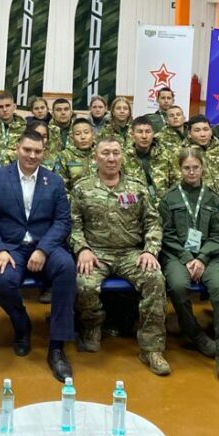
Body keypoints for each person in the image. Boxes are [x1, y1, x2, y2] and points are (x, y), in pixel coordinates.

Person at [0, 132, 75, 382]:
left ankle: (57, 347)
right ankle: (22, 326)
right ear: (17, 148)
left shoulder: (54, 181)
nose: (32, 155)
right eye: (27, 150)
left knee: (66, 268)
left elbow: (62, 221)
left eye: (38, 151)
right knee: (0, 280)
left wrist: (43, 249)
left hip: (45, 245)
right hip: (11, 247)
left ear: (44, 152)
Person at [71, 138, 169, 376]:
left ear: (122, 157)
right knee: (84, 284)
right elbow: (74, 225)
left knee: (155, 279)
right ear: (95, 157)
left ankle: (152, 349)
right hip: (96, 254)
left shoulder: (136, 187)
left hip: (130, 253)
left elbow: (153, 222)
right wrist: (82, 249)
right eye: (105, 153)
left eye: (116, 153)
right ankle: (93, 326)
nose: (111, 158)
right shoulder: (82, 188)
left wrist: (150, 250)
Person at [159, 149, 219, 380]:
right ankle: (194, 332)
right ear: (180, 169)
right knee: (178, 286)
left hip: (209, 256)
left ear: (202, 168)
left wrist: (201, 258)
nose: (191, 172)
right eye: (186, 168)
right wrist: (187, 258)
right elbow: (166, 235)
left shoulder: (214, 199)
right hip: (177, 255)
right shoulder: (169, 198)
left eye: (195, 167)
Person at [185, 114, 219, 210]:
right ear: (189, 133)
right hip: (198, 209)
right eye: (197, 130)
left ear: (211, 131)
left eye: (206, 129)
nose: (203, 134)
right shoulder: (183, 154)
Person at [124, 117, 175, 200]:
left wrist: (169, 201)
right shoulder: (124, 157)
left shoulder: (166, 154)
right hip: (135, 204)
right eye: (140, 132)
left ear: (153, 134)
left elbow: (176, 182)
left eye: (148, 132)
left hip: (164, 203)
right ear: (132, 135)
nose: (144, 136)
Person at [55, 117, 98, 190]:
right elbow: (59, 186)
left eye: (86, 132)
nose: (83, 137)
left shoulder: (101, 154)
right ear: (72, 137)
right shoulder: (64, 156)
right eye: (78, 134)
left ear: (93, 134)